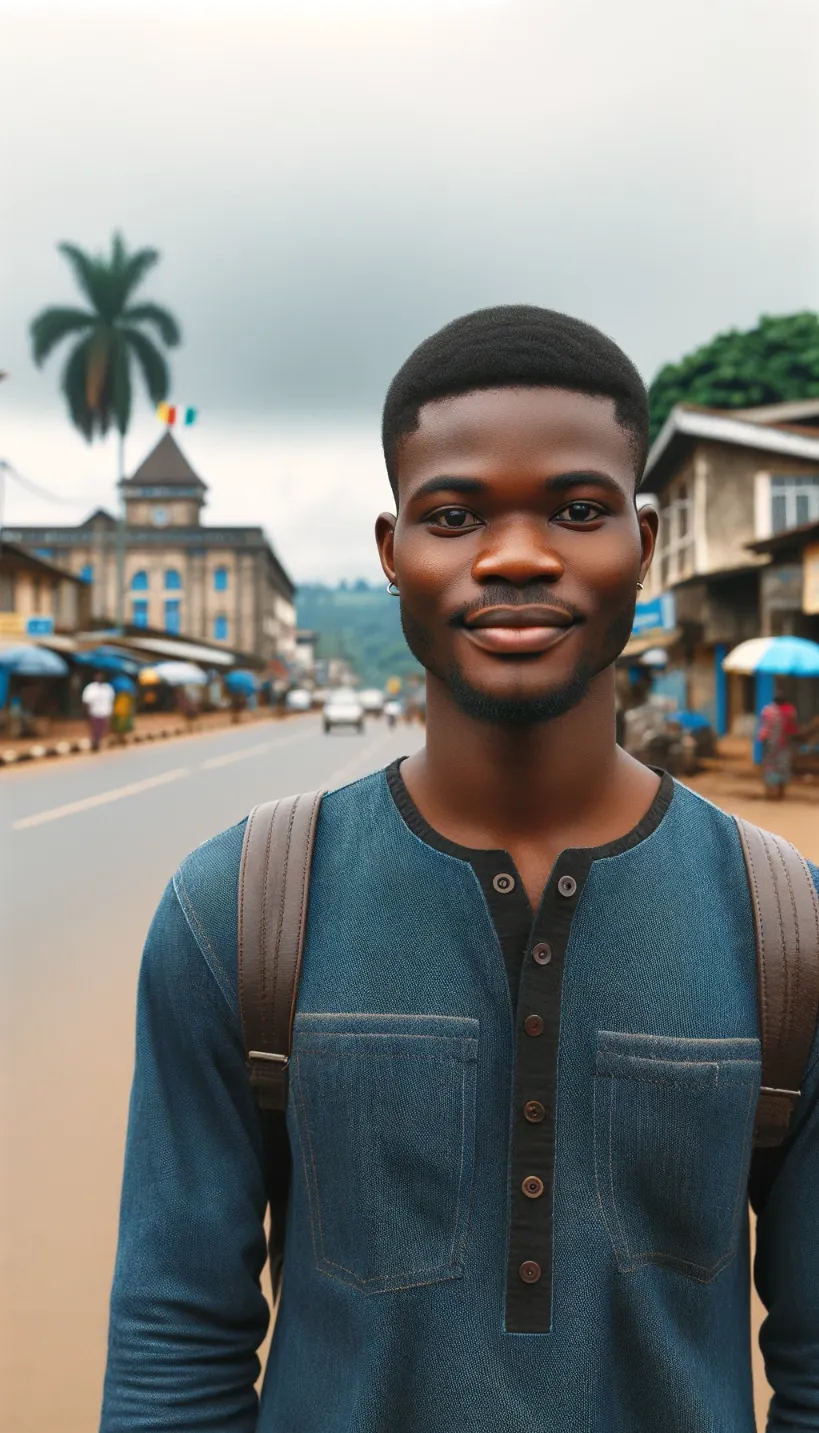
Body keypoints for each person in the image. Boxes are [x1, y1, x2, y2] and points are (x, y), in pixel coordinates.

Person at [100, 307, 819, 1433]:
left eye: (578, 511)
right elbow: (174, 1343)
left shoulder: (788, 930)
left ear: (644, 536)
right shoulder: (237, 908)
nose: (520, 554)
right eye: (456, 513)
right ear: (393, 553)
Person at [758, 686, 800, 800]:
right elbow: (792, 729)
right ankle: (780, 794)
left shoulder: (767, 710)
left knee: (769, 767)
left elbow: (763, 730)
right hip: (783, 745)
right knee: (783, 768)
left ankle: (769, 793)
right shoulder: (790, 710)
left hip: (770, 745)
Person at [81, 670, 115, 752]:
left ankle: (97, 742)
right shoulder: (90, 688)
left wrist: (110, 713)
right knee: (94, 730)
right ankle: (95, 743)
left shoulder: (108, 688)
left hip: (104, 712)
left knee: (102, 730)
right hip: (94, 712)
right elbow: (86, 701)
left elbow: (111, 701)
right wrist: (87, 713)